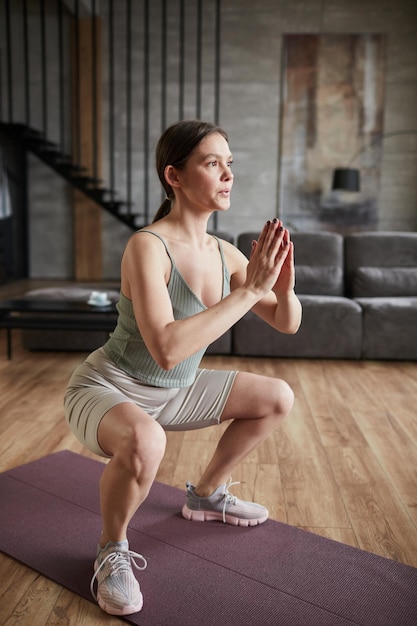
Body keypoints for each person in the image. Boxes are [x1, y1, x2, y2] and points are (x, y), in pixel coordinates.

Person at [64, 119, 302, 617]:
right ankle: (112, 549)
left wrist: (282, 288)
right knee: (147, 438)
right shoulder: (148, 246)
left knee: (278, 396)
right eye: (212, 163)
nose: (227, 174)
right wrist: (247, 292)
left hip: (176, 391)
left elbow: (286, 323)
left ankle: (207, 495)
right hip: (109, 389)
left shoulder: (225, 253)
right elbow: (167, 349)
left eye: (229, 164)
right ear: (174, 176)